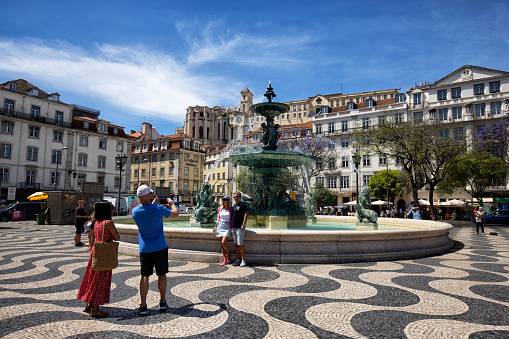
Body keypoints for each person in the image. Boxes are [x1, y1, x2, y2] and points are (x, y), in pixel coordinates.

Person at [131, 185, 178, 316]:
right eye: (150, 194)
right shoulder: (158, 209)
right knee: (161, 274)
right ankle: (162, 302)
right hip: (159, 247)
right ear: (147, 195)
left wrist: (151, 204)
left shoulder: (135, 212)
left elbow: (145, 211)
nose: (151, 196)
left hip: (145, 248)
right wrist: (172, 203)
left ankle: (143, 305)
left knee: (145, 276)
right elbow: (175, 214)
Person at [77, 202, 120, 317]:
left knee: (92, 278)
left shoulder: (96, 222)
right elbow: (117, 237)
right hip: (103, 254)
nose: (113, 210)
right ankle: (95, 309)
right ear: (106, 210)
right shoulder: (108, 223)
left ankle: (89, 303)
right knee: (100, 280)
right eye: (111, 209)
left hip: (95, 252)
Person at [231, 192, 249, 267]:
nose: (235, 198)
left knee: (240, 244)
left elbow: (246, 214)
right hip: (233, 227)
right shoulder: (234, 205)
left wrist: (243, 224)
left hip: (239, 228)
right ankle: (238, 259)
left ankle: (243, 260)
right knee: (236, 244)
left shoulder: (243, 204)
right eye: (234, 197)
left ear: (240, 197)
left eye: (237, 197)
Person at [216, 196, 232, 265]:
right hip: (220, 226)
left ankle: (228, 254)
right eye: (224, 200)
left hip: (227, 226)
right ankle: (224, 259)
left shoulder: (231, 209)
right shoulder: (220, 208)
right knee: (222, 244)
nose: (225, 201)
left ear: (229, 201)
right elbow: (218, 218)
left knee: (223, 242)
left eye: (227, 200)